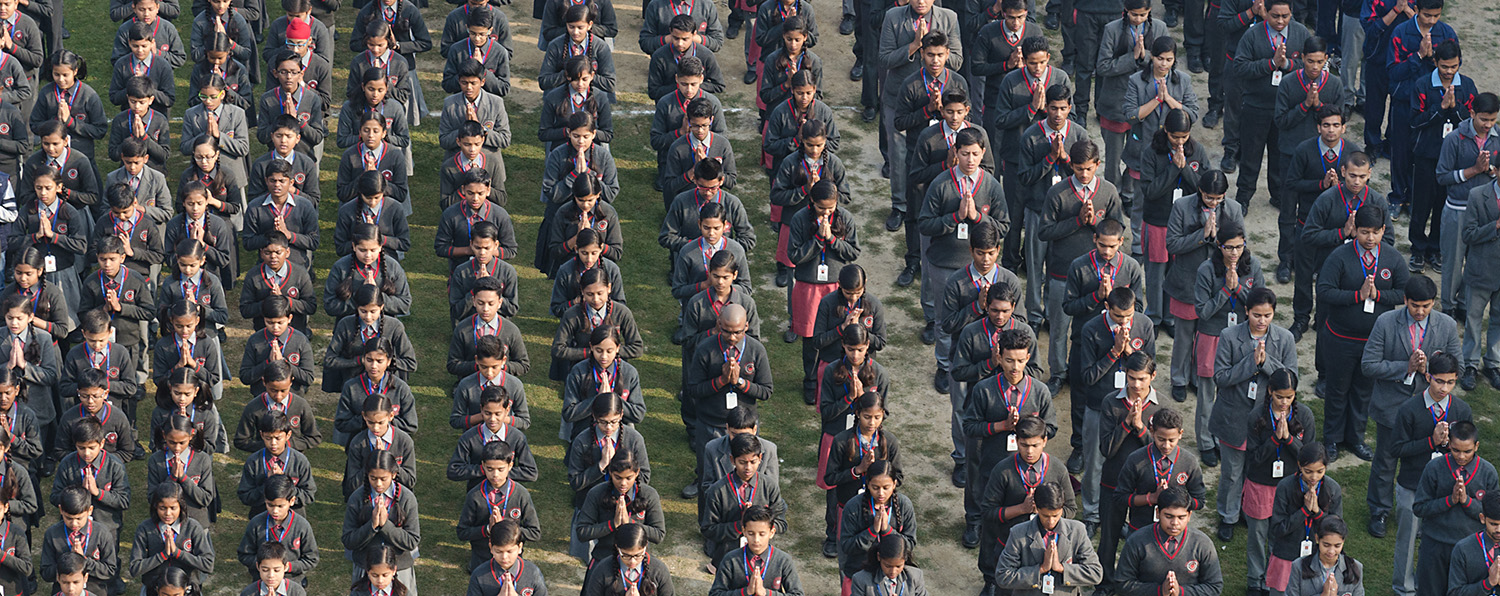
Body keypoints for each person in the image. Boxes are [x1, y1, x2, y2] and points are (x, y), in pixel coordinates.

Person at [1360, 276, 1458, 540]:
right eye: (1415, 305)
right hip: (1391, 405)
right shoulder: (1386, 322)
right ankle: (1379, 510)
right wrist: (1406, 367)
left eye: (1426, 306)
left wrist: (1430, 370)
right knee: (1385, 461)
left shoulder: (1447, 326)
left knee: (1426, 462)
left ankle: (1424, 511)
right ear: (1405, 300)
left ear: (1434, 302)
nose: (1420, 311)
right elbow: (1368, 365)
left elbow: (1455, 366)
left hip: (1428, 407)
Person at [919, 130, 1008, 395]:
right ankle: (944, 365)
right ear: (955, 153)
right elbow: (924, 224)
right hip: (945, 263)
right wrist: (954, 218)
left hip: (980, 267)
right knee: (945, 319)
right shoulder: (941, 183)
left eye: (975, 154)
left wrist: (978, 219)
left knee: (980, 316)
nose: (970, 160)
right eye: (965, 153)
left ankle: (979, 364)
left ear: (983, 154)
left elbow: (1004, 226)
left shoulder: (991, 185)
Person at [1318, 204, 1409, 462]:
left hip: (1374, 341)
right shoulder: (1339, 256)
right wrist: (1356, 296)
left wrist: (1378, 295)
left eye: (1375, 232)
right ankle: (1332, 439)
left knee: (1363, 391)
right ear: (1355, 230)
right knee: (1337, 390)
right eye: (1364, 232)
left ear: (1383, 230)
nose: (1370, 238)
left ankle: (1355, 438)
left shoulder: (1392, 258)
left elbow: (1405, 292)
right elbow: (1324, 291)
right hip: (1341, 338)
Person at [1042, 140, 1126, 405]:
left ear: (1097, 165)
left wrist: (1096, 223)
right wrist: (1076, 221)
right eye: (1078, 169)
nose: (1084, 174)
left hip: (1096, 275)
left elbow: (1118, 228)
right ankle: (1058, 372)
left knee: (1090, 328)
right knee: (1059, 328)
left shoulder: (1108, 191)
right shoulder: (1058, 192)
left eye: (1089, 168)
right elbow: (1044, 231)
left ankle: (1084, 371)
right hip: (1061, 272)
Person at [1389, 350, 1467, 594]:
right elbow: (1396, 449)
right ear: (1428, 377)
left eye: (1451, 382)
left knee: (1438, 542)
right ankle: (1404, 589)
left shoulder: (1461, 410)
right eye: (1439, 381)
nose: (1444, 388)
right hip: (1412, 484)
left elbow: (1467, 450)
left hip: (1445, 489)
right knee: (1407, 541)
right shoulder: (1409, 409)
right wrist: (1430, 442)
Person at [1013, 84, 1087, 321]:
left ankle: (1053, 313)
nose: (1058, 114)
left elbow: (1085, 175)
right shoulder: (1031, 136)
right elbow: (1024, 177)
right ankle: (1034, 316)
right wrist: (1049, 158)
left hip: (1067, 213)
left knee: (1060, 268)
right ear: (1046, 107)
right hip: (1037, 210)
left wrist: (1064, 158)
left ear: (1070, 108)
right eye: (1053, 108)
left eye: (1063, 108)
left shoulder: (1079, 136)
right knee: (1035, 267)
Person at [1229, 0, 1310, 214]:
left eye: (1285, 16)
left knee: (1280, 154)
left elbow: (1310, 64)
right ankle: (1243, 197)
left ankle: (1278, 195)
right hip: (1256, 106)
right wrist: (1271, 64)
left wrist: (1287, 65)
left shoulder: (1301, 33)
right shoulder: (1252, 35)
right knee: (1250, 155)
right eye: (1275, 16)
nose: (1280, 21)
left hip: (1286, 107)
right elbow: (1240, 67)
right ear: (1266, 13)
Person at [978, 415, 1072, 595]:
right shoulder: (1003, 470)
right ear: (1016, 441)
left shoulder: (1058, 469)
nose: (1029, 451)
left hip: (1044, 548)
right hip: (1010, 546)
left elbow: (1071, 509)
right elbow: (988, 512)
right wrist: (1021, 509)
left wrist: (1047, 514)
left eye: (1035, 445)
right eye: (1024, 445)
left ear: (1045, 441)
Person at [1094, 0, 1170, 198]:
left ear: (1149, 11)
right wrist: (1132, 57)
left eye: (1142, 15)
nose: (1138, 19)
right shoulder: (1112, 29)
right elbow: (1103, 66)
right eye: (1134, 14)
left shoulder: (1160, 28)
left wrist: (1144, 57)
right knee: (1113, 158)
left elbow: (1166, 62)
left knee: (1138, 154)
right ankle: (1113, 195)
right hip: (1116, 103)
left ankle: (1128, 193)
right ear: (1125, 10)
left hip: (1146, 103)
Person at [1283, 108, 1363, 292]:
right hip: (1308, 220)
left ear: (1343, 128)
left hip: (1339, 224)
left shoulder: (1352, 152)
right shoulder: (1304, 149)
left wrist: (1340, 186)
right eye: (1326, 125)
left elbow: (1361, 186)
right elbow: (1292, 183)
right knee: (1303, 278)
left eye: (1336, 125)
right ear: (1318, 127)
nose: (1331, 130)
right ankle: (1302, 311)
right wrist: (1321, 184)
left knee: (1332, 279)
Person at [1408, 39, 1470, 273]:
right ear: (1435, 62)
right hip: (1426, 155)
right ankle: (1417, 249)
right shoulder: (1423, 85)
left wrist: (1454, 109)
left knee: (1443, 205)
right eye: (1444, 66)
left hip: (1453, 158)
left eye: (1454, 66)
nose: (1449, 71)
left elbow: (1470, 121)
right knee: (1421, 205)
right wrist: (1440, 109)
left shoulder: (1467, 86)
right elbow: (1415, 121)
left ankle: (1435, 248)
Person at [1413, 420, 1496, 596]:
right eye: (1456, 450)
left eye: (1467, 451)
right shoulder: (1434, 468)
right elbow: (1419, 508)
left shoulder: (1488, 473)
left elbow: (1493, 515)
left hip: (1471, 549)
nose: (1461, 457)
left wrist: (1466, 501)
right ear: (1449, 443)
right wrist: (1449, 500)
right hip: (1436, 545)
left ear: (1477, 446)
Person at [1436, 92, 1500, 317]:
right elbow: (1442, 176)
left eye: (1493, 120)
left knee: (1475, 260)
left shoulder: (1498, 138)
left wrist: (1490, 170)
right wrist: (1474, 170)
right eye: (1484, 119)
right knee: (1453, 261)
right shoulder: (1454, 138)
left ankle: (1464, 303)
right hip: (1458, 208)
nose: (1488, 125)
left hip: (1486, 210)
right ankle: (1448, 305)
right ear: (1472, 113)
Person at [821, 391, 897, 557]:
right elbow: (830, 478)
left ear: (883, 415)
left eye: (877, 417)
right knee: (847, 550)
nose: (872, 422)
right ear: (857, 413)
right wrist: (857, 471)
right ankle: (832, 538)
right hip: (847, 503)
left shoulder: (889, 442)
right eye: (867, 417)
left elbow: (899, 476)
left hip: (876, 506)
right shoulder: (842, 440)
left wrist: (880, 480)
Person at [995, 482, 1104, 595]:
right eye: (1045, 516)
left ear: (1062, 509)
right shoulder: (1018, 533)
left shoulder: (1077, 530)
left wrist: (1061, 568)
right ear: (1036, 509)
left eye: (1055, 516)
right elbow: (1003, 576)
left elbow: (1095, 573)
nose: (1051, 522)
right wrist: (1040, 569)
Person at [1113, 486, 1224, 595]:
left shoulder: (1202, 543)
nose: (1175, 523)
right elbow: (1122, 583)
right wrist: (1159, 591)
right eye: (1168, 516)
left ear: (1189, 516)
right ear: (1158, 513)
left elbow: (1214, 586)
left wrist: (1181, 592)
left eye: (1181, 517)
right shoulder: (1137, 541)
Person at [1268, 444, 1342, 596]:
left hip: (1317, 558)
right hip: (1286, 554)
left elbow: (1336, 530)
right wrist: (1304, 511)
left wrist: (1317, 513)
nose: (1314, 477)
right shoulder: (1285, 487)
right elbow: (1277, 529)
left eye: (1320, 471)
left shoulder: (1333, 489)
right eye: (1308, 471)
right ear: (1299, 465)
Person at [701, 435, 786, 566]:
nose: (748, 468)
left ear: (760, 458)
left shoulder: (769, 486)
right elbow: (708, 529)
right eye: (742, 462)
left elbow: (781, 523)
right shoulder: (717, 491)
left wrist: (760, 524)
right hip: (727, 558)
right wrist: (739, 525)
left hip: (762, 558)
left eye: (753, 462)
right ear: (732, 460)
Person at [455, 441, 539, 572]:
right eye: (490, 469)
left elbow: (534, 533)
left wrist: (507, 529)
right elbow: (462, 532)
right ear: (483, 465)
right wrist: (488, 529)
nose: (495, 475)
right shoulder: (475, 495)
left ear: (510, 465)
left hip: (512, 561)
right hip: (482, 560)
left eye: (500, 469)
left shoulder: (521, 494)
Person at [341, 454, 421, 591]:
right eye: (373, 478)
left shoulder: (407, 498)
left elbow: (412, 540)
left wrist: (386, 526)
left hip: (399, 568)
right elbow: (348, 540)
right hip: (366, 570)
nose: (378, 484)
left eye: (383, 479)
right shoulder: (357, 498)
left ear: (394, 474)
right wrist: (371, 526)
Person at [837, 461, 915, 593]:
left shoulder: (904, 505)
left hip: (893, 575)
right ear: (867, 484)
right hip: (860, 573)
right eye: (875, 487)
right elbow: (846, 545)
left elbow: (910, 543)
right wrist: (872, 531)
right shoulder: (853, 507)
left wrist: (887, 530)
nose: (881, 493)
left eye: (886, 487)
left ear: (894, 484)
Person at [576, 451, 665, 562]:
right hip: (604, 558)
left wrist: (630, 523)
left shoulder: (649, 494)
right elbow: (582, 532)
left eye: (628, 478)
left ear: (637, 473)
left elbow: (659, 534)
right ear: (610, 472)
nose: (623, 483)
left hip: (636, 560)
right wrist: (612, 524)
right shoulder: (596, 493)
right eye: (618, 478)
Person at [50, 419, 131, 535]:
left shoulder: (115, 465)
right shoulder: (67, 464)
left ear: (102, 443)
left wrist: (98, 493)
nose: (86, 453)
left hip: (107, 528)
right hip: (73, 528)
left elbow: (124, 501)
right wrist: (78, 493)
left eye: (91, 448)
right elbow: (54, 497)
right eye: (81, 448)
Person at [126, 483, 214, 587]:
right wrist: (163, 555)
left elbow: (208, 565)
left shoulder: (193, 527)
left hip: (186, 588)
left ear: (181, 507)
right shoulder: (145, 529)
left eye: (173, 508)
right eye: (162, 508)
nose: (168, 513)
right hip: (155, 588)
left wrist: (177, 553)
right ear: (155, 507)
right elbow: (134, 568)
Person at [447, 388, 538, 486]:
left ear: (507, 410)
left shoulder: (517, 437)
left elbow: (531, 472)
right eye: (488, 413)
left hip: (508, 492)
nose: (492, 419)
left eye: (498, 414)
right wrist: (484, 469)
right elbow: (453, 471)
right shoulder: (469, 438)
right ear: (481, 409)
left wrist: (501, 471)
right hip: (477, 491)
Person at [40, 487, 118, 596]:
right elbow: (46, 573)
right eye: (68, 518)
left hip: (95, 591)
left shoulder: (102, 533)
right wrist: (68, 562)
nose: (74, 524)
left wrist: (85, 561)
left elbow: (110, 570)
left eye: (79, 518)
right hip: (63, 591)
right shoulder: (52, 534)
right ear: (61, 510)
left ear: (90, 510)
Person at [236, 414, 317, 516]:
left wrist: (284, 485)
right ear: (261, 435)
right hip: (261, 518)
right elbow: (245, 496)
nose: (273, 443)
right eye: (268, 438)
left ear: (288, 435)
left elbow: (309, 495)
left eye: (278, 438)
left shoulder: (300, 461)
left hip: (293, 519)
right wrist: (267, 484)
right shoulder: (254, 461)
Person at [707, 505, 798, 594]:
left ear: (771, 532)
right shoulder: (731, 559)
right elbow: (715, 593)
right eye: (751, 533)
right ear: (744, 531)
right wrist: (745, 592)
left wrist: (766, 593)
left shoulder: (783, 560)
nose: (756, 539)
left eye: (762, 534)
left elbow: (797, 593)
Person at [145, 413, 216, 527]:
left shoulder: (202, 459)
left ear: (191, 435)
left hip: (196, 524)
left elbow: (206, 498)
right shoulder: (156, 460)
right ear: (164, 436)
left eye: (182, 443)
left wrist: (183, 478)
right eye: (172, 442)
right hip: (164, 524)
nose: (177, 448)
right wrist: (172, 478)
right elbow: (152, 498)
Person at [436, 59, 511, 157]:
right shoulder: (450, 104)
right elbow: (444, 141)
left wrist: (481, 129)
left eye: (473, 83)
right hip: (457, 159)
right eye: (464, 83)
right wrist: (464, 129)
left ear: (482, 82)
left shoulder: (496, 103)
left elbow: (505, 140)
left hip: (488, 159)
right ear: (459, 81)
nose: (469, 87)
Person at [579, 524, 676, 596]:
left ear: (645, 546)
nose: (632, 562)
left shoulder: (659, 570)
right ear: (617, 548)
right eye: (626, 555)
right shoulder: (602, 570)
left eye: (638, 555)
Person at [1283, 516, 1362, 596]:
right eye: (1326, 545)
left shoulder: (1355, 567)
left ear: (1343, 541)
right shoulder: (1298, 566)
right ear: (1317, 539)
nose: (1331, 551)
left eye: (1337, 546)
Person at [1445, 491, 1500, 596]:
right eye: (1493, 524)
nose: (1499, 530)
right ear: (1482, 518)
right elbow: (1454, 593)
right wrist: (1488, 583)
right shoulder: (1463, 549)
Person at [238, 541, 312, 595]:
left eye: (276, 570)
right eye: (265, 570)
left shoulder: (297, 592)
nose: (271, 575)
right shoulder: (248, 593)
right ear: (258, 567)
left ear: (285, 567)